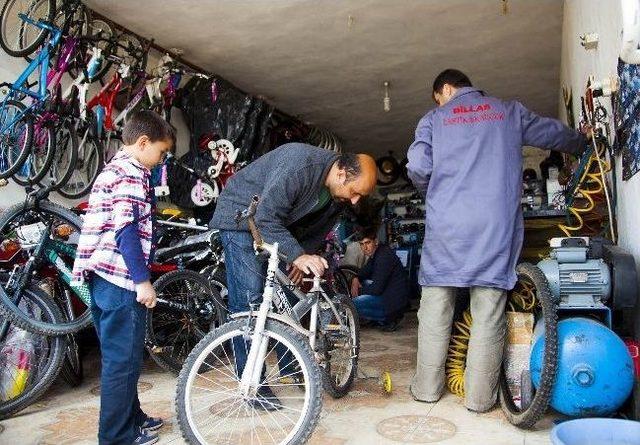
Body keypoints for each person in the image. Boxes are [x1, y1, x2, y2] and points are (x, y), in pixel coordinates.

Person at [407, 69, 587, 412]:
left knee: (434, 311)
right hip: (494, 227)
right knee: (488, 313)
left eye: (439, 97)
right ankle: (478, 400)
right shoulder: (508, 111)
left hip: (447, 228)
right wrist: (583, 143)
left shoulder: (433, 119)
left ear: (445, 89)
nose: (441, 103)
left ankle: (427, 390)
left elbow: (417, 166)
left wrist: (434, 193)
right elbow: (552, 133)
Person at [210, 143, 377, 403]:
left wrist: (298, 258)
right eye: (356, 192)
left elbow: (313, 230)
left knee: (285, 299)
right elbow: (265, 218)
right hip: (241, 219)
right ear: (342, 174)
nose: (356, 200)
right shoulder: (300, 166)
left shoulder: (337, 195)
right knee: (251, 301)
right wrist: (298, 255)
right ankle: (252, 385)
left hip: (274, 227)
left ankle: (291, 369)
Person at [72, 111, 175, 445]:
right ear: (143, 143)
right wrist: (142, 281)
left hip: (103, 277)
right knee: (123, 361)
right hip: (120, 280)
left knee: (121, 357)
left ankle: (132, 418)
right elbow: (126, 230)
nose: (161, 161)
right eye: (160, 153)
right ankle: (117, 437)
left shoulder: (114, 167)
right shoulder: (131, 172)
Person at [350, 228, 409, 331]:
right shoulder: (377, 253)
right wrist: (356, 278)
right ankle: (380, 318)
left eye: (368, 243)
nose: (365, 248)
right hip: (389, 296)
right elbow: (364, 272)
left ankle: (388, 319)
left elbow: (376, 289)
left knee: (350, 304)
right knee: (363, 283)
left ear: (376, 241)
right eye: (361, 244)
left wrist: (358, 291)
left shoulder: (383, 257)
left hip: (393, 305)